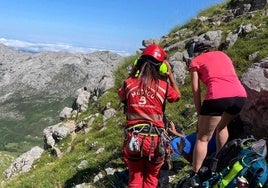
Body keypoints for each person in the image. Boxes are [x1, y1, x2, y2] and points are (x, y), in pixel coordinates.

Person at [118, 44, 181, 188]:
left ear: (139, 64)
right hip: (155, 140)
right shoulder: (163, 86)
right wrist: (170, 74)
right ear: (161, 67)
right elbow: (177, 96)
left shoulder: (128, 83)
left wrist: (134, 71)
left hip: (134, 139)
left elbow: (121, 94)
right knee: (151, 178)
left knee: (135, 177)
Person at [186, 40, 247, 187]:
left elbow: (196, 89)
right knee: (221, 126)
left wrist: (200, 112)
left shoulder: (196, 60)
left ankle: (195, 175)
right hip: (239, 96)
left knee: (203, 138)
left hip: (217, 96)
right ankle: (220, 163)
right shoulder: (223, 55)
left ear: (197, 52)